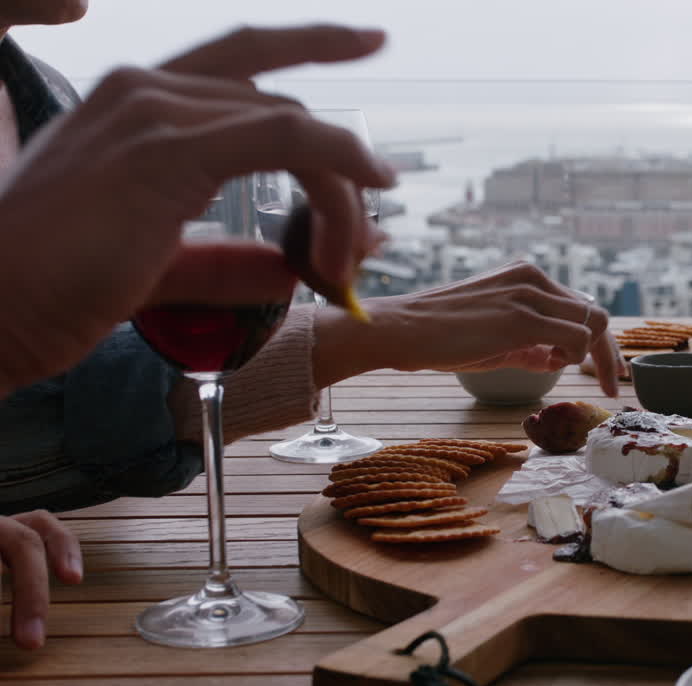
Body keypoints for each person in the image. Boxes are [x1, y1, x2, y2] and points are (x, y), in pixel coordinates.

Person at [0, 11, 618, 650]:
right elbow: (88, 399)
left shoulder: (51, 104)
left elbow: (90, 381)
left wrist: (385, 332)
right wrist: (365, 335)